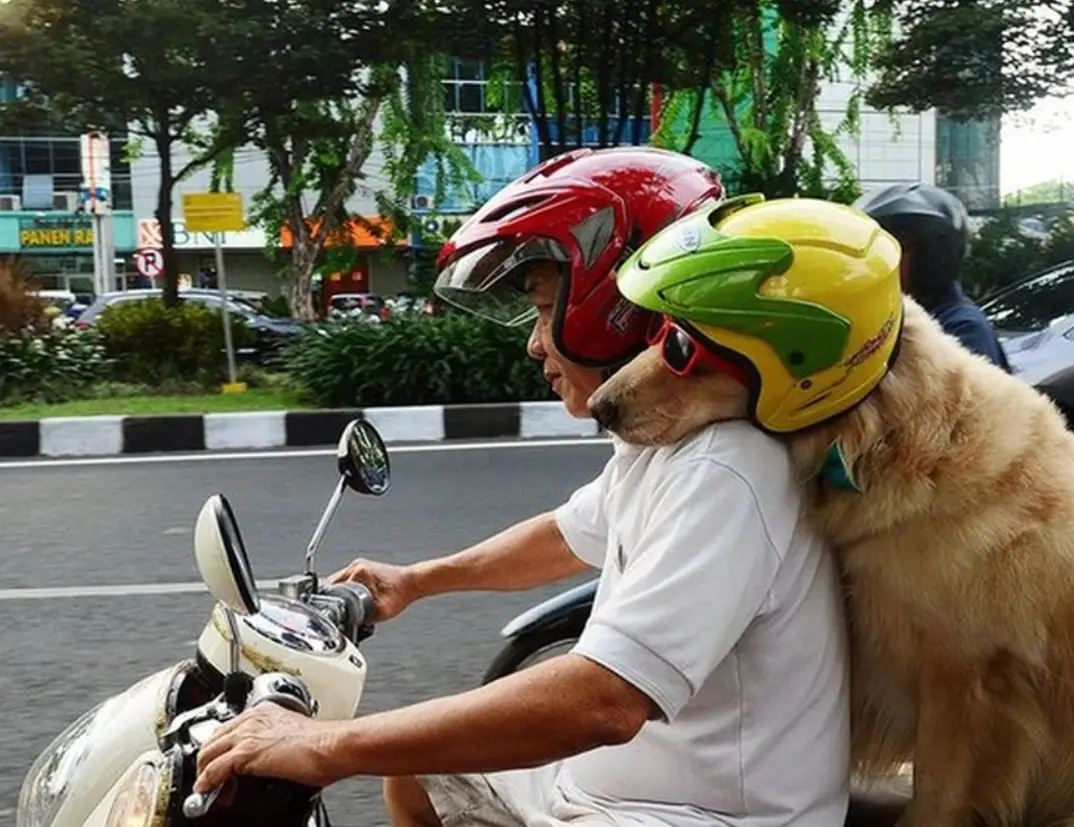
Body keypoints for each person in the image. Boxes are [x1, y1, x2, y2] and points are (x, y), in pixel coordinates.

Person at [191, 148, 859, 827]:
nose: (534, 345)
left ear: (613, 308)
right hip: (607, 793)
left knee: (384, 751)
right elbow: (565, 534)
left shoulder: (724, 467)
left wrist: (328, 744)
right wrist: (416, 580)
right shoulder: (662, 439)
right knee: (417, 775)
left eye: (543, 310)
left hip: (696, 816)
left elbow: (602, 700)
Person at [854, 182, 1011, 371]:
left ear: (934, 257)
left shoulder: (962, 330)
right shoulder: (890, 320)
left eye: (892, 250)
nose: (877, 262)